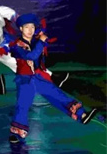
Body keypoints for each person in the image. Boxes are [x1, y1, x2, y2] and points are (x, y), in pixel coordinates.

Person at [8, 13, 97, 144]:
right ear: (21, 29)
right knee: (23, 105)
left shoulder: (35, 41)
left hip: (38, 77)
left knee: (58, 95)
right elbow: (31, 56)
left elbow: (40, 57)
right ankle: (17, 133)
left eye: (32, 27)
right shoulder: (16, 45)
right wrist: (41, 41)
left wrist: (41, 42)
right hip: (25, 79)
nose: (30, 30)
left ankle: (82, 115)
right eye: (26, 27)